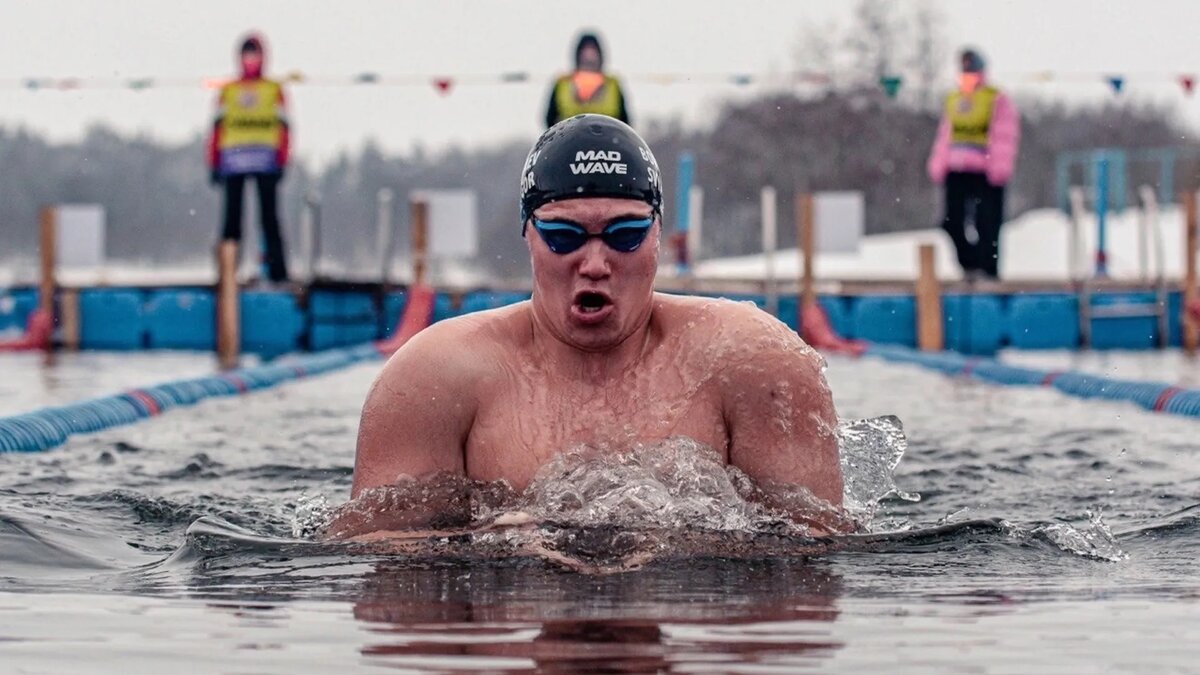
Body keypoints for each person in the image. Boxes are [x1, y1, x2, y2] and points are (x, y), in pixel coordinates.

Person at [339, 115, 845, 538]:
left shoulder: (753, 361)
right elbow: (387, 572)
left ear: (658, 237)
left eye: (624, 235)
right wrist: (497, 550)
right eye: (564, 237)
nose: (596, 263)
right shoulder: (433, 379)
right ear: (529, 237)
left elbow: (812, 563)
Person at [927, 48, 1020, 280]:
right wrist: (939, 163)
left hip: (986, 170)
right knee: (951, 221)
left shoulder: (995, 98)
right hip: (956, 169)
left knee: (987, 222)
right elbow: (946, 135)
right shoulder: (955, 99)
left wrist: (999, 167)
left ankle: (988, 269)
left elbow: (1004, 135)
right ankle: (970, 264)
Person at [206, 33, 290, 283]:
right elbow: (216, 129)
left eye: (254, 54)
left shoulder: (273, 89)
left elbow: (284, 128)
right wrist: (213, 162)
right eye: (247, 54)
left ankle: (278, 274)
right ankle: (228, 274)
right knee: (231, 222)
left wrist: (282, 159)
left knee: (269, 220)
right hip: (233, 163)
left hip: (266, 163)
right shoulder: (228, 90)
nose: (250, 60)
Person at [544, 33, 630, 128]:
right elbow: (549, 119)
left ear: (600, 56)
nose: (589, 59)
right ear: (578, 56)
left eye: (593, 53)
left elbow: (625, 121)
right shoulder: (562, 82)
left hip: (607, 141)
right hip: (570, 140)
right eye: (585, 54)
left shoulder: (613, 83)